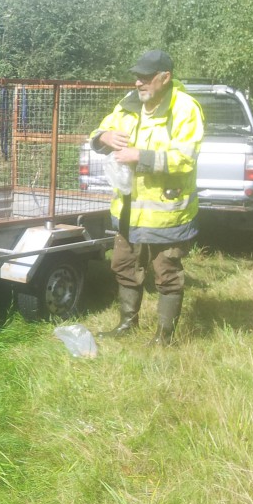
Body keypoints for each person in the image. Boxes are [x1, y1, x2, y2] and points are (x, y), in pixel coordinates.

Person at [90, 50, 204, 345]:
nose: (138, 83)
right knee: (124, 267)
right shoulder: (128, 103)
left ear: (164, 78)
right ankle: (127, 324)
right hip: (128, 210)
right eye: (136, 77)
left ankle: (163, 337)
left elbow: (184, 158)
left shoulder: (185, 109)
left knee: (167, 274)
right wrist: (103, 137)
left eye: (145, 77)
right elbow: (100, 129)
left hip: (167, 212)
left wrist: (139, 155)